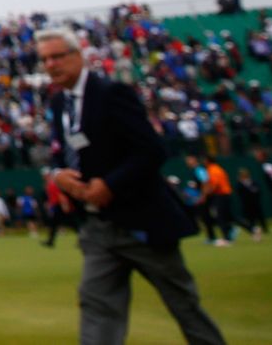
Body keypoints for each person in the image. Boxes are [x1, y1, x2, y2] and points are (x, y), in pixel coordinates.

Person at [38, 27, 225, 345]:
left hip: (142, 222)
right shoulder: (59, 104)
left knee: (184, 305)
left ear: (78, 55)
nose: (51, 65)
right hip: (99, 227)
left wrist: (110, 184)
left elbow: (152, 149)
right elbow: (63, 153)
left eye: (57, 56)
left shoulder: (111, 93)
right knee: (96, 307)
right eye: (45, 59)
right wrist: (58, 175)